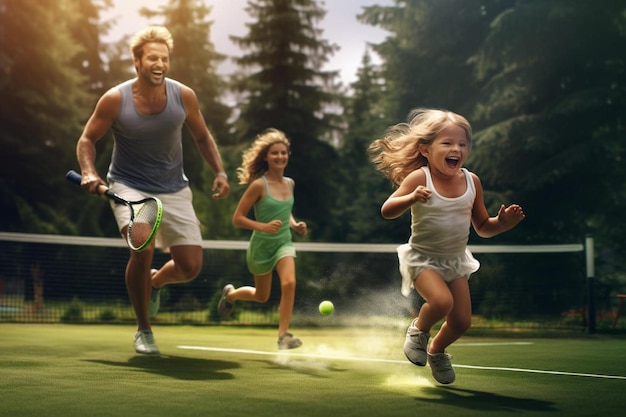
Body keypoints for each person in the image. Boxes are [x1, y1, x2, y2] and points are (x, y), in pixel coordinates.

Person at [75, 26, 230, 355]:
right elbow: (87, 138)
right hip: (128, 186)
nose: (159, 63)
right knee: (141, 246)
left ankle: (156, 282)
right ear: (137, 62)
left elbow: (202, 136)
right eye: (152, 58)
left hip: (175, 188)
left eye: (165, 58)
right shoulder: (116, 99)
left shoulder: (183, 95)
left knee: (190, 267)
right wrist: (89, 171)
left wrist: (219, 171)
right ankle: (144, 330)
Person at [369, 108, 525, 384]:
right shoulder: (420, 177)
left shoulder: (471, 181)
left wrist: (502, 224)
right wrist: (411, 197)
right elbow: (387, 210)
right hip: (422, 259)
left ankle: (437, 351)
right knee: (441, 302)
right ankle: (418, 330)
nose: (456, 149)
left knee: (462, 321)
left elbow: (483, 227)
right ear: (425, 149)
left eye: (462, 144)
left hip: (455, 261)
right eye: (448, 143)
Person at [217, 128, 307, 350]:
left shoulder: (290, 183)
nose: (280, 157)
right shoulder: (259, 185)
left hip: (283, 242)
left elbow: (285, 210)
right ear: (266, 157)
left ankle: (283, 336)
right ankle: (231, 295)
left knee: (289, 283)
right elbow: (237, 218)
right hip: (261, 246)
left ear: (288, 155)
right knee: (261, 296)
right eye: (274, 153)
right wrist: (263, 227)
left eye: (283, 153)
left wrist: (294, 225)